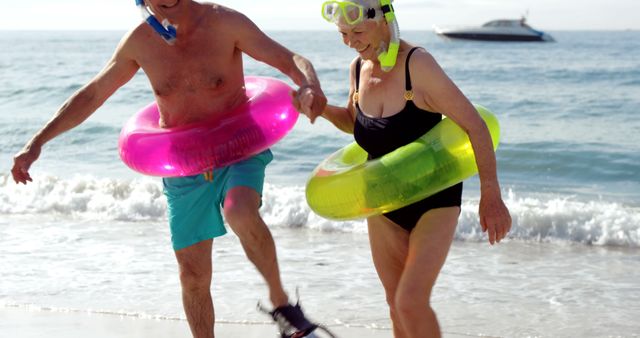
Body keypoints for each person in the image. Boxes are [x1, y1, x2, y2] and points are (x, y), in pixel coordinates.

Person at [10, 1, 327, 338]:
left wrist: (310, 85)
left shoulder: (224, 23)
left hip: (238, 147)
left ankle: (281, 303)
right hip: (183, 163)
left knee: (239, 210)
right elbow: (93, 94)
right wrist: (37, 141)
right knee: (192, 274)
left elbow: (290, 59)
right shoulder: (140, 42)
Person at [303, 1, 513, 337]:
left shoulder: (418, 65)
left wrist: (491, 194)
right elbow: (354, 122)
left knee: (410, 301)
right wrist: (321, 108)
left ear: (384, 19)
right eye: (343, 33)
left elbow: (475, 125)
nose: (351, 41)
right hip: (383, 200)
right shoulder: (358, 69)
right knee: (394, 302)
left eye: (357, 31)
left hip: (433, 198)